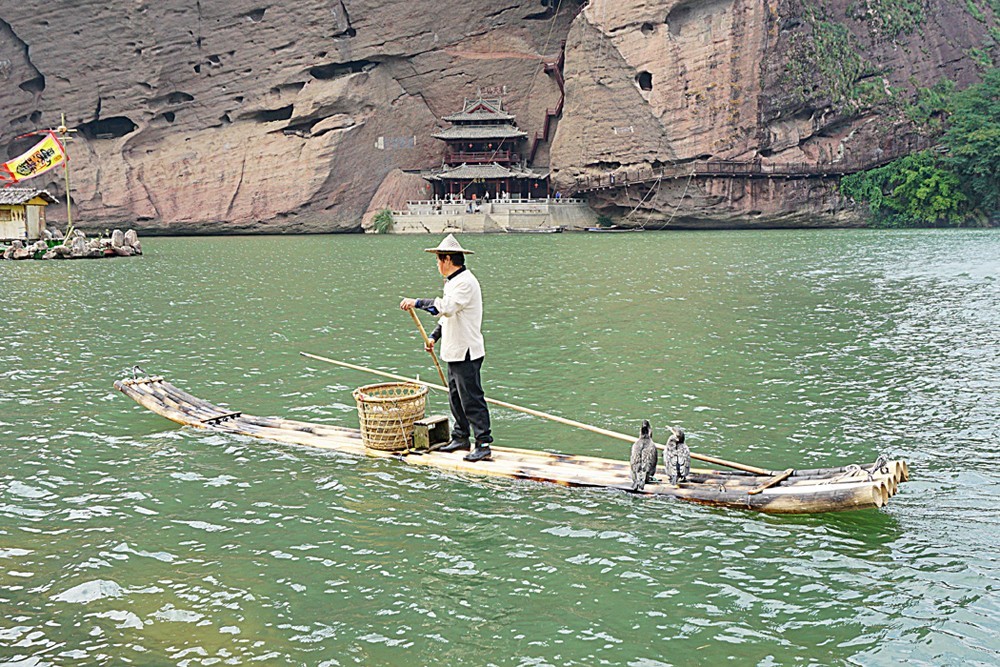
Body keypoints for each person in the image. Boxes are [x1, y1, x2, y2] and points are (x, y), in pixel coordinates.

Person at [400, 234, 493, 462]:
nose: (437, 265)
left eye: (439, 260)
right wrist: (434, 337)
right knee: (455, 397)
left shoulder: (465, 282)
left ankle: (483, 443)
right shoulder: (452, 282)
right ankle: (460, 436)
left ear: (448, 259)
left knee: (471, 398)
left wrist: (417, 302)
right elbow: (446, 318)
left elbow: (447, 308)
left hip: (467, 352)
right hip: (454, 350)